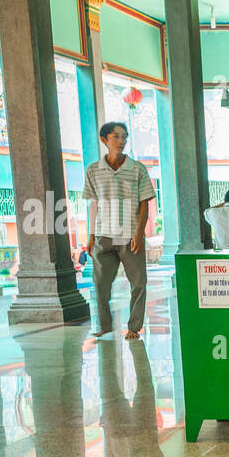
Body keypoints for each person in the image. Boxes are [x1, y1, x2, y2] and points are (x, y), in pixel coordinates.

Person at [82, 121, 154, 339]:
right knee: (100, 285)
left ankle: (134, 327)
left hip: (130, 236)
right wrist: (91, 236)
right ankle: (104, 325)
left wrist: (139, 234)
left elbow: (144, 203)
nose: (121, 141)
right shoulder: (93, 170)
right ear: (105, 140)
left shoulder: (137, 168)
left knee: (138, 284)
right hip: (104, 236)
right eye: (116, 136)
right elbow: (93, 204)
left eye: (124, 137)